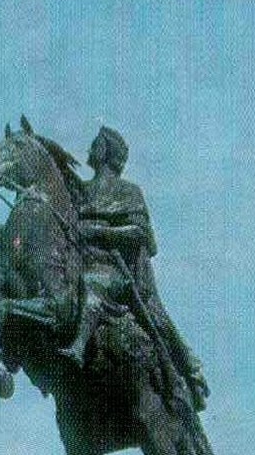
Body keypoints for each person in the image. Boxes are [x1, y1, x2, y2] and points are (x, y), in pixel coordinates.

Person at [66, 126, 209, 411]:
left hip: (114, 271)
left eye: (94, 145)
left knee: (155, 317)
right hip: (81, 266)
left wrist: (96, 231)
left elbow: (142, 235)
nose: (88, 151)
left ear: (106, 152)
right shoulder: (80, 191)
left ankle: (189, 369)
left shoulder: (128, 191)